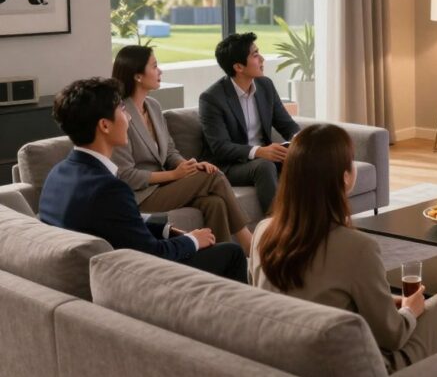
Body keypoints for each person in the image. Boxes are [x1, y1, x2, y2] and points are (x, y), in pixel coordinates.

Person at [250, 124, 437, 372]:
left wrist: (384, 301)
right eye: (353, 161)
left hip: (288, 362)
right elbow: (393, 336)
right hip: (356, 369)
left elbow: (310, 294)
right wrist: (410, 310)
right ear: (345, 178)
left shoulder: (262, 232)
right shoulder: (358, 248)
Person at [38, 78, 247, 283]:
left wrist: (166, 230)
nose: (129, 118)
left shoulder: (57, 173)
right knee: (232, 253)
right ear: (105, 125)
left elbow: (115, 221)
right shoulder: (109, 189)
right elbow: (153, 254)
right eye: (122, 110)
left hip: (93, 274)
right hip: (132, 282)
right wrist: (192, 240)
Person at [111, 45, 254, 256]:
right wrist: (174, 175)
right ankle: (249, 244)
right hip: (141, 196)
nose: (160, 71)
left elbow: (169, 151)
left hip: (164, 186)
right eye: (155, 66)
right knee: (213, 176)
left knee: (214, 203)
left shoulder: (153, 106)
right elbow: (126, 176)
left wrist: (188, 165)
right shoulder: (120, 116)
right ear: (138, 76)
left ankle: (223, 261)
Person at [199, 32, 300, 214]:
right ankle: (276, 225)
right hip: (230, 165)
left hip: (264, 157)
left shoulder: (265, 85)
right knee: (264, 165)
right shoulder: (211, 98)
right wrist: (259, 151)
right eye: (255, 55)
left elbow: (287, 125)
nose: (262, 59)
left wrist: (300, 140)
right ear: (238, 67)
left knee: (305, 157)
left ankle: (315, 219)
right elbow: (220, 147)